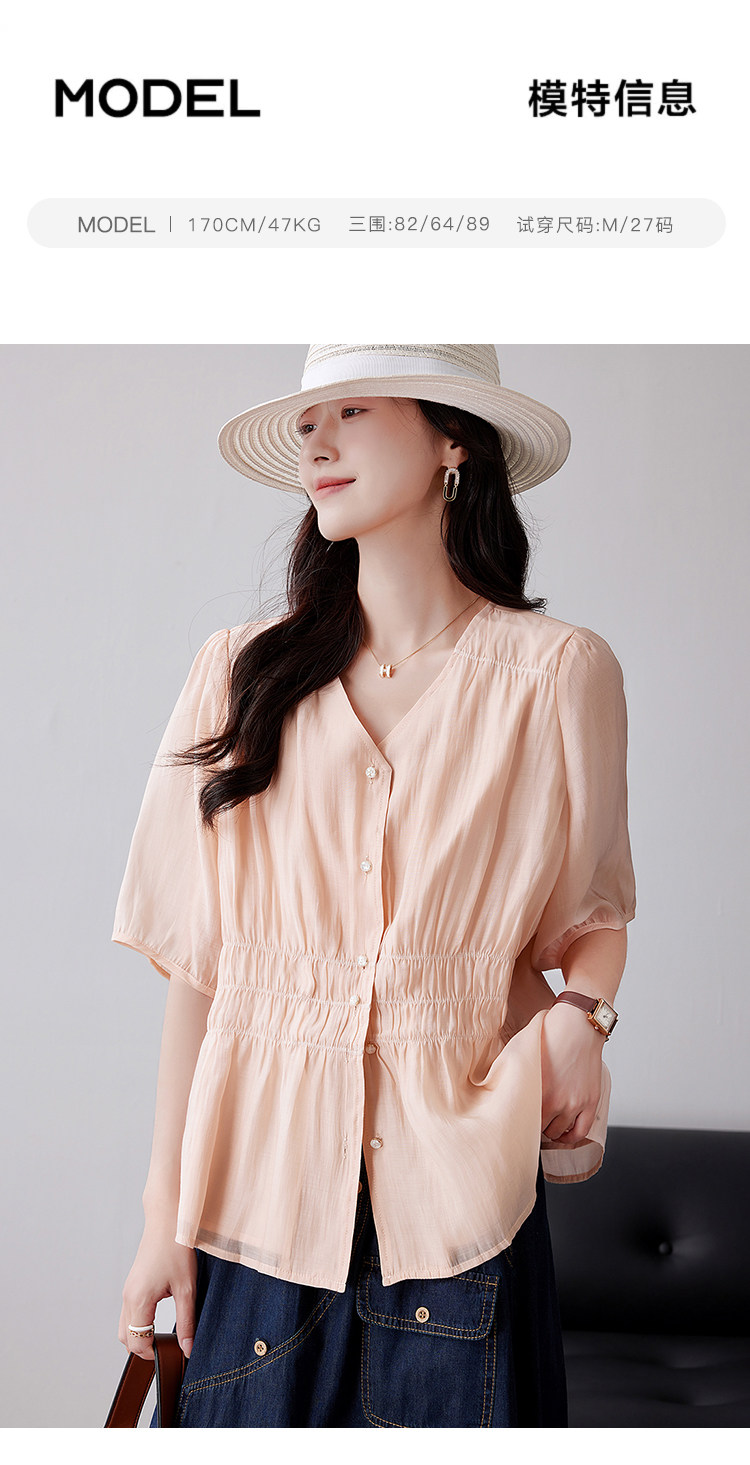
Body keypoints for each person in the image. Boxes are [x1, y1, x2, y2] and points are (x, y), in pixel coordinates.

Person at [112, 344, 636, 1428]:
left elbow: (592, 908)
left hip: (461, 1212)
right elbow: (204, 977)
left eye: (352, 409)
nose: (317, 439)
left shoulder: (555, 674)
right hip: (255, 1214)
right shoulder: (241, 671)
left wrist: (585, 1014)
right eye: (309, 420)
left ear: (454, 440)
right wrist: (163, 1217)